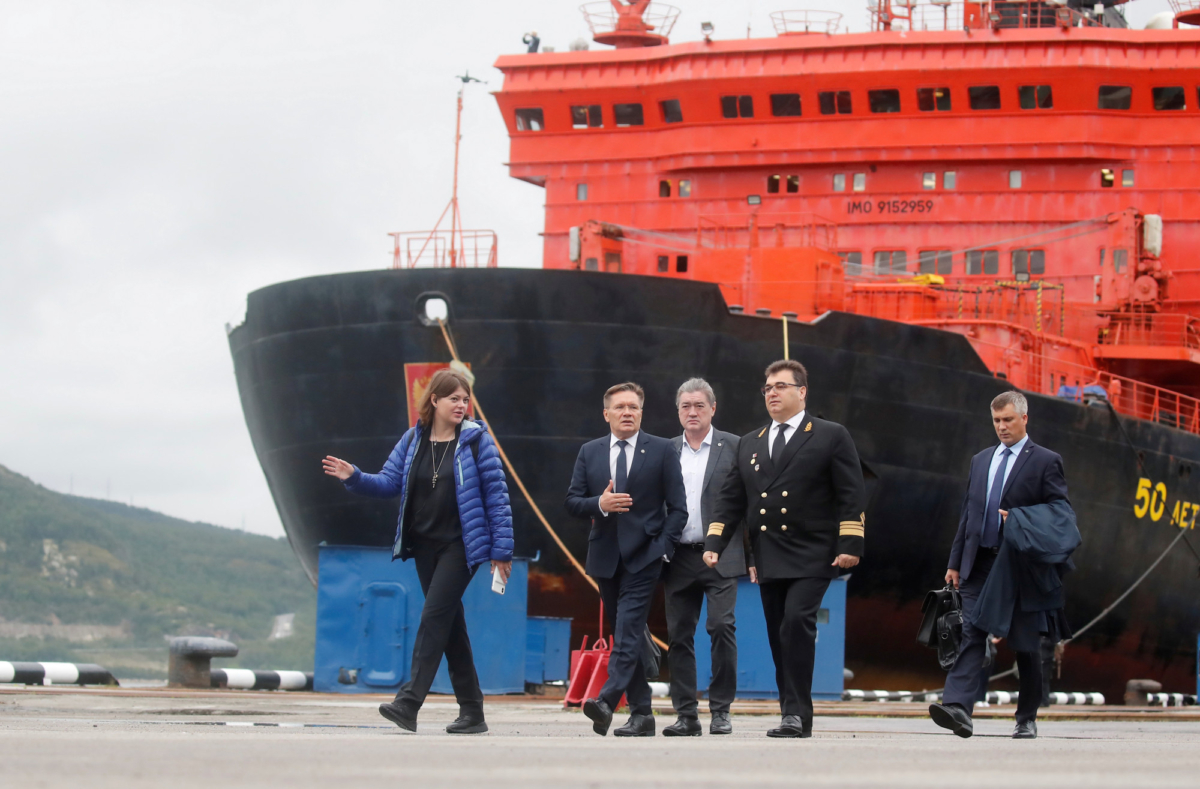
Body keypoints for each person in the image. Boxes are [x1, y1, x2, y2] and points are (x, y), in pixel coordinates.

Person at [321, 369, 513, 734]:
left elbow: (497, 497)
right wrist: (355, 477)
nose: (461, 404)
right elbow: (389, 482)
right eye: (454, 398)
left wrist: (501, 551)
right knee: (450, 627)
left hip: (462, 546)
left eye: (465, 398)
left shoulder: (476, 441)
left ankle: (408, 703)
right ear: (434, 400)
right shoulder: (413, 440)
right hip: (424, 546)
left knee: (433, 617)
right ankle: (473, 713)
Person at [704, 359, 865, 738]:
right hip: (770, 553)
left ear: (801, 392)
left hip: (815, 552)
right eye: (767, 388)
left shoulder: (829, 434)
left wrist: (851, 542)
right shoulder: (751, 442)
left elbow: (851, 491)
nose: (772, 393)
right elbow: (731, 499)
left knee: (796, 622)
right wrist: (715, 541)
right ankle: (793, 714)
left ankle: (796, 713)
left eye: (780, 386)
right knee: (780, 633)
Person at [929, 390, 1069, 740]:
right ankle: (958, 708)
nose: (1002, 427)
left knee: (1025, 644)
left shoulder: (1046, 461)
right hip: (979, 564)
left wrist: (1020, 519)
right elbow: (969, 513)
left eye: (1008, 420)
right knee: (971, 632)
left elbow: (1060, 514)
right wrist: (955, 562)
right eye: (996, 421)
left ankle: (1027, 717)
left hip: (1021, 566)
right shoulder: (981, 460)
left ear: (1024, 418)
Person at [565, 382, 688, 737]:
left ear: (641, 412)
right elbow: (572, 502)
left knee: (628, 629)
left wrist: (663, 546)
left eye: (634, 407)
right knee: (626, 633)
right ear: (607, 414)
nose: (627, 413)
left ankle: (606, 700)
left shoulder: (663, 450)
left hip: (645, 555)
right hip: (604, 557)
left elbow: (679, 509)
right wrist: (598, 505)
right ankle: (642, 714)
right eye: (620, 407)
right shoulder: (590, 452)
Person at [662, 378, 746, 737]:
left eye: (699, 405)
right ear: (678, 411)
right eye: (686, 406)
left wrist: (753, 554)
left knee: (722, 627)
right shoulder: (664, 450)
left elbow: (748, 504)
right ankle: (686, 714)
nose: (692, 412)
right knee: (679, 636)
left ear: (713, 408)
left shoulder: (736, 447)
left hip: (721, 554)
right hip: (678, 557)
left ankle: (721, 710)